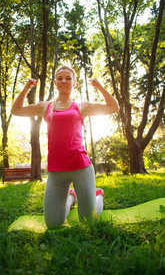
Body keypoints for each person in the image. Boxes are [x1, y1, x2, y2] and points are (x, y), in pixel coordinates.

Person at [11, 65, 119, 229]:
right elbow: (16, 110)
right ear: (55, 82)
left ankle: (99, 195)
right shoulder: (45, 106)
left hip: (81, 167)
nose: (64, 81)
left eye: (68, 78)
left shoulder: (81, 106)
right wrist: (27, 87)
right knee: (53, 223)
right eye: (60, 78)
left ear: (74, 83)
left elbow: (114, 107)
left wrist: (99, 86)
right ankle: (71, 198)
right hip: (57, 170)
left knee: (88, 222)